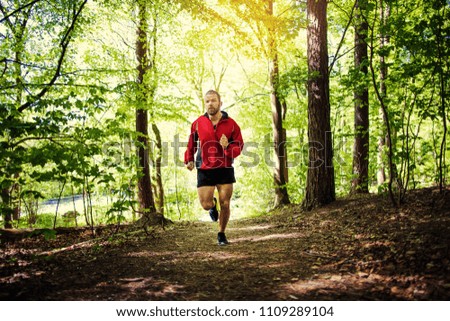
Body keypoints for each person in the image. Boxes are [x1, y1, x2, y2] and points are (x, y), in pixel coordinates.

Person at [184, 90, 244, 245]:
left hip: (224, 167)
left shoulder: (231, 124)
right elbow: (192, 143)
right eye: (207, 101)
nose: (210, 103)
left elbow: (239, 145)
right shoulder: (198, 123)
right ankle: (213, 205)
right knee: (205, 204)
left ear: (220, 103)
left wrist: (227, 148)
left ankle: (221, 234)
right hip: (205, 167)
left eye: (213, 101)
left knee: (226, 203)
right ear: (205, 104)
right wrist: (189, 159)